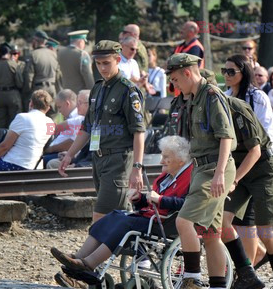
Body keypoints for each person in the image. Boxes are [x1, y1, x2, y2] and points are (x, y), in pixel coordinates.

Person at [51, 135, 192, 288]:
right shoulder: (167, 176)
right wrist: (139, 199)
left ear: (180, 160)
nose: (161, 161)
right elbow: (153, 201)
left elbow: (185, 204)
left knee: (125, 223)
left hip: (165, 223)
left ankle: (89, 264)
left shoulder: (189, 178)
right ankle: (78, 258)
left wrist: (160, 199)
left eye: (166, 157)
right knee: (113, 216)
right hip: (152, 217)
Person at [167, 53, 236, 289]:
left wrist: (219, 174)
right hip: (202, 168)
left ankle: (193, 278)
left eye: (176, 80)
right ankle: (218, 285)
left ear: (187, 73)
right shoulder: (194, 98)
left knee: (184, 221)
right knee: (211, 234)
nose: (174, 85)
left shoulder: (211, 96)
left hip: (214, 168)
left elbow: (226, 136)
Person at [58, 40, 146, 223]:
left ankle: (85, 253)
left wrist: (137, 168)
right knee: (118, 215)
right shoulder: (97, 88)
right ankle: (130, 247)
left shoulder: (127, 90)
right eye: (98, 63)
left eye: (106, 63)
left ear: (117, 59)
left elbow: (139, 131)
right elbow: (87, 127)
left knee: (100, 216)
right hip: (98, 159)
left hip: (118, 160)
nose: (102, 68)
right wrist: (70, 155)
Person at [222, 95, 273, 289]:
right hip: (238, 168)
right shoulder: (206, 111)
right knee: (223, 222)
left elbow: (256, 151)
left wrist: (234, 179)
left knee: (265, 231)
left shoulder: (237, 108)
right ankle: (246, 274)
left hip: (262, 169)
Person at [224, 54, 273, 142]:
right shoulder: (224, 96)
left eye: (231, 71)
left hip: (257, 149)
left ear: (244, 73)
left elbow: (267, 132)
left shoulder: (258, 97)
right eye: (224, 71)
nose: (226, 75)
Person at [46, 90, 90, 169]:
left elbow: (73, 142)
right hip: (77, 157)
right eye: (77, 102)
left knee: (48, 162)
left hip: (86, 163)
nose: (76, 106)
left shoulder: (82, 119)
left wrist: (50, 149)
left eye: (79, 103)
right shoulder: (82, 119)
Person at [23, 30, 62, 107]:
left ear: (35, 41)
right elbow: (58, 75)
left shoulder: (33, 55)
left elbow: (29, 76)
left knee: (37, 115)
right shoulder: (53, 54)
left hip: (39, 90)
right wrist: (58, 90)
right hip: (52, 89)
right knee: (52, 117)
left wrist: (26, 92)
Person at [41, 89, 79, 167]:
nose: (59, 111)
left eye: (59, 107)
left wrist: (51, 149)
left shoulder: (77, 117)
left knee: (38, 162)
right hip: (57, 152)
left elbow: (73, 142)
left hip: (62, 153)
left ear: (67, 103)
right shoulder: (71, 117)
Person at [0, 43, 23, 128]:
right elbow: (20, 82)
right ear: (9, 53)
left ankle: (1, 139)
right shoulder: (13, 64)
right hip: (12, 95)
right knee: (14, 123)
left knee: (0, 124)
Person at [58, 30, 95, 94]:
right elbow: (87, 75)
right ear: (80, 42)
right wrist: (93, 92)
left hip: (65, 92)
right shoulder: (82, 54)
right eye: (84, 42)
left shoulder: (60, 52)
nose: (84, 45)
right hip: (80, 93)